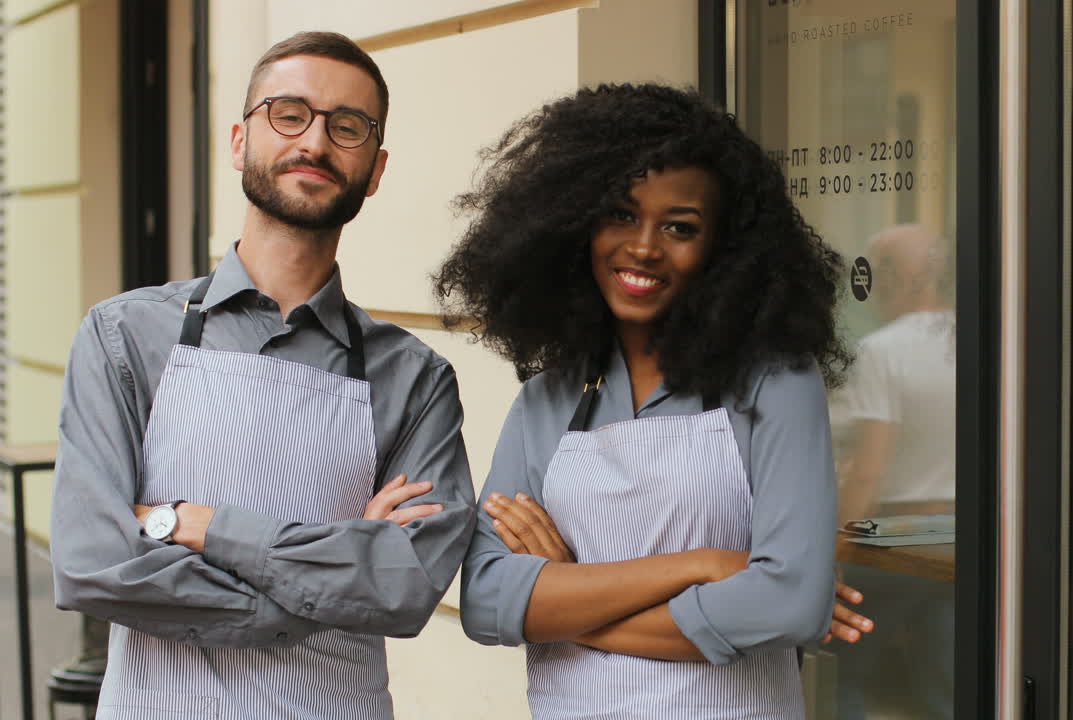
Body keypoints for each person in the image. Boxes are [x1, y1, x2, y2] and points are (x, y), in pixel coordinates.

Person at [50, 32, 475, 719]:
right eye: (288, 114)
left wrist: (195, 525)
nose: (314, 142)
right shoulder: (124, 336)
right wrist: (323, 581)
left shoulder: (415, 379)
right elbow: (92, 560)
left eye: (348, 127)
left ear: (375, 168)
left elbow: (404, 585)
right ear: (240, 140)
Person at [439, 83, 870, 719]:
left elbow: (791, 603)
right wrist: (701, 566)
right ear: (573, 223)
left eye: (680, 227)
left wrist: (566, 606)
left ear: (724, 249)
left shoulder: (774, 384)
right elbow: (484, 600)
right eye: (619, 213)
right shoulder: (546, 402)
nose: (644, 246)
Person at [828, 224, 956, 718]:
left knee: (843, 673)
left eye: (876, 271)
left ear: (907, 279)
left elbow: (869, 470)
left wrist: (834, 549)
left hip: (893, 541)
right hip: (960, 540)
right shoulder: (983, 342)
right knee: (943, 683)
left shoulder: (882, 351)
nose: (869, 286)